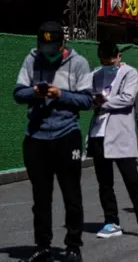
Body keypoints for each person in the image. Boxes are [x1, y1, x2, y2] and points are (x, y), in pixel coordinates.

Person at [14, 21, 93, 262]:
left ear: (62, 44)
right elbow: (18, 93)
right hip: (36, 135)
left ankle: (72, 246)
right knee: (41, 196)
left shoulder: (78, 63)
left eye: (52, 46)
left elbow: (86, 101)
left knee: (71, 194)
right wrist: (36, 92)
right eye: (44, 46)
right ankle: (42, 246)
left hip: (66, 134)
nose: (48, 51)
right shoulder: (31, 60)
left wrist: (60, 94)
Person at [87, 41, 138, 241]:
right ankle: (111, 221)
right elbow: (87, 96)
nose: (107, 63)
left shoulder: (130, 73)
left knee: (132, 181)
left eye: (110, 59)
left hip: (120, 134)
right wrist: (94, 100)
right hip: (98, 134)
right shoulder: (96, 74)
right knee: (105, 183)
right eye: (103, 60)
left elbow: (127, 98)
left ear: (118, 55)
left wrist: (104, 101)